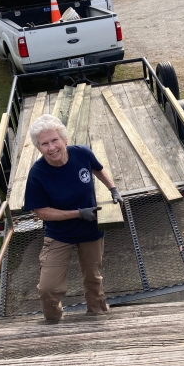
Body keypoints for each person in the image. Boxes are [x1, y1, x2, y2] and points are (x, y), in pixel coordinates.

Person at [23, 113, 123, 322]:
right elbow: (41, 212)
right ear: (38, 147)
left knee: (93, 278)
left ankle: (97, 316)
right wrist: (78, 213)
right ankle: (53, 322)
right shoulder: (37, 174)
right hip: (59, 235)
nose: (51, 148)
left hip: (90, 232)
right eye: (44, 144)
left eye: (54, 140)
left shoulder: (82, 154)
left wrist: (113, 189)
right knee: (48, 288)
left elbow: (99, 169)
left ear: (65, 140)